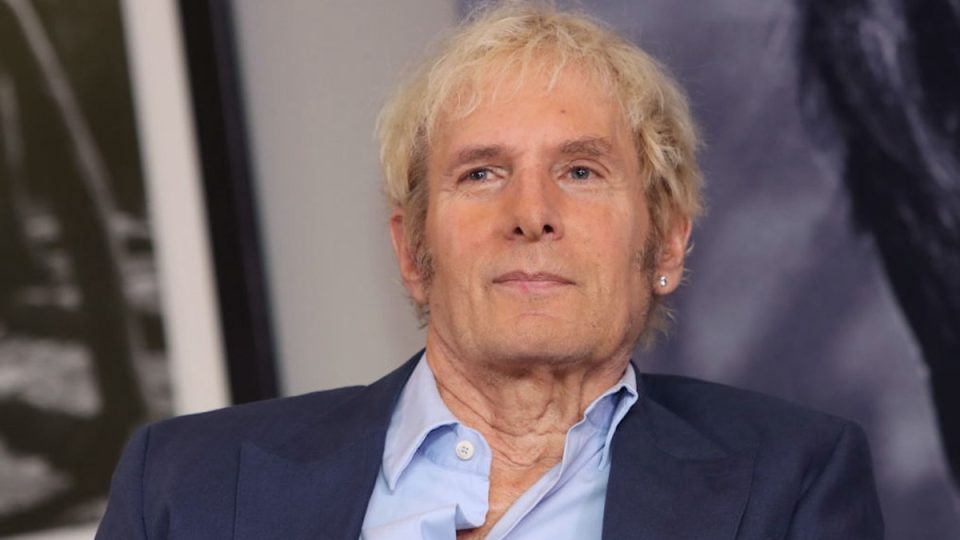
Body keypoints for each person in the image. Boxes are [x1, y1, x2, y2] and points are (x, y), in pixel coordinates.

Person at [97, 2, 883, 538]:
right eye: (481, 173)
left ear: (667, 246)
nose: (531, 212)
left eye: (581, 171)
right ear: (414, 251)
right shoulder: (186, 483)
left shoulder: (790, 482)